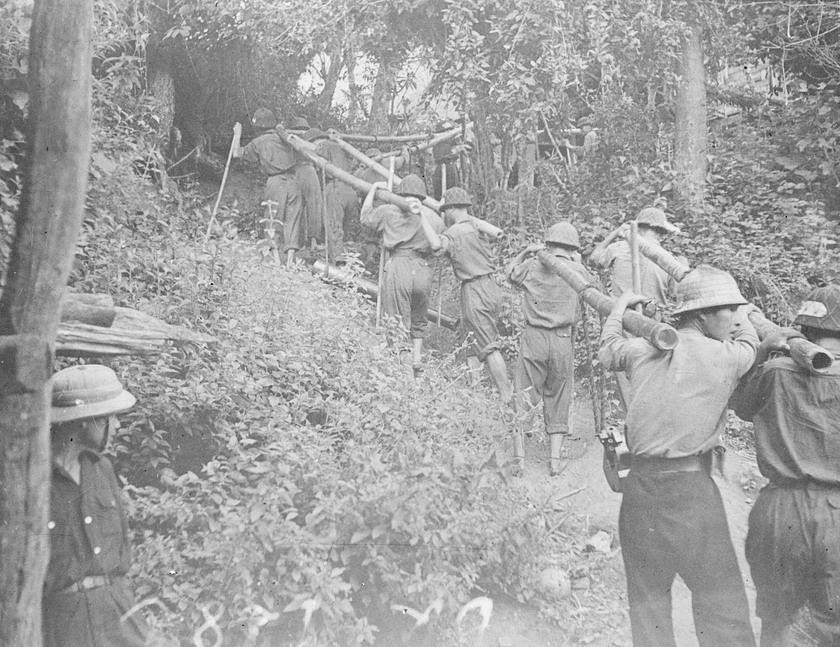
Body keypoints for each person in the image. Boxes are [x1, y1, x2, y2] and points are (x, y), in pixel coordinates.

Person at [598, 265, 758, 647]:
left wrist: (619, 307)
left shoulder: (642, 347)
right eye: (728, 310)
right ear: (703, 314)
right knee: (722, 609)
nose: (733, 317)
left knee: (648, 608)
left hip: (639, 492)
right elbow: (751, 340)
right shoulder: (728, 355)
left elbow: (607, 350)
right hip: (691, 494)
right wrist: (749, 316)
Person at [731, 283, 840, 647]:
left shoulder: (775, 370)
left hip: (780, 510)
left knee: (777, 623)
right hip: (837, 514)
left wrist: (763, 352)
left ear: (803, 329)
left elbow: (742, 407)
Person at [44, 365, 147, 647]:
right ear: (84, 421)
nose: (117, 426)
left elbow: (122, 553)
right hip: (61, 626)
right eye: (109, 417)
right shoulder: (34, 481)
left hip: (118, 616)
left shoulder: (101, 469)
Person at [507, 222, 592, 475]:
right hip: (562, 339)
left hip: (534, 336)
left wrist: (525, 252)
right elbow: (592, 291)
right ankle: (554, 462)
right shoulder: (578, 270)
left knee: (522, 392)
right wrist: (578, 263)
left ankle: (518, 460)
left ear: (548, 244)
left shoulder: (533, 266)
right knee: (559, 395)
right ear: (573, 248)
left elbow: (509, 272)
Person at [420, 186, 512, 402]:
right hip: (490, 286)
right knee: (471, 339)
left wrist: (421, 218)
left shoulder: (455, 232)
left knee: (488, 345)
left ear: (451, 209)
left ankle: (507, 396)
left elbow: (436, 245)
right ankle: (476, 390)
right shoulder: (476, 226)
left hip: (475, 290)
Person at [590, 206, 681, 406]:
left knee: (627, 388)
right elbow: (678, 295)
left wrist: (615, 233)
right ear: (659, 232)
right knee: (650, 385)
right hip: (654, 330)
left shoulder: (617, 248)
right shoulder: (669, 260)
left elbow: (595, 258)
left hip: (621, 323)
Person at [360, 174, 443, 375]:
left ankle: (400, 366)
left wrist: (373, 190)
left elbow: (365, 218)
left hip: (399, 266)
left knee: (396, 317)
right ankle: (416, 360)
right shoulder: (432, 217)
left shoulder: (388, 212)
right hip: (423, 268)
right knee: (419, 316)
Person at [232, 108, 302, 266]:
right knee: (293, 219)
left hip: (276, 182)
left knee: (272, 218)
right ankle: (290, 262)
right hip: (294, 180)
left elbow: (236, 153)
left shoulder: (258, 142)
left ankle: (276, 260)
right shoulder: (284, 136)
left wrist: (237, 134)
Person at [288, 116, 324, 251]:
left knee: (298, 206)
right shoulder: (306, 140)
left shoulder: (290, 139)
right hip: (307, 170)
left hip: (295, 172)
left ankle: (299, 241)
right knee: (314, 204)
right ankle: (312, 241)